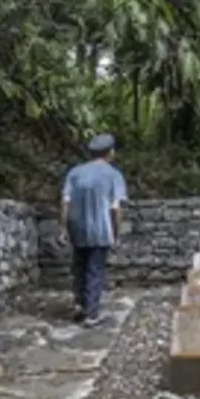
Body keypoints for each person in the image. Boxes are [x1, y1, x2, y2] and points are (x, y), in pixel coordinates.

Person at [60, 134, 128, 326]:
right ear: (110, 152)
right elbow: (115, 207)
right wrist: (117, 233)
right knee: (95, 270)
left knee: (79, 267)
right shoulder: (113, 175)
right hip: (100, 229)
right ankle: (91, 314)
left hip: (77, 228)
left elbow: (65, 202)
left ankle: (80, 305)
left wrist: (63, 228)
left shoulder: (75, 173)